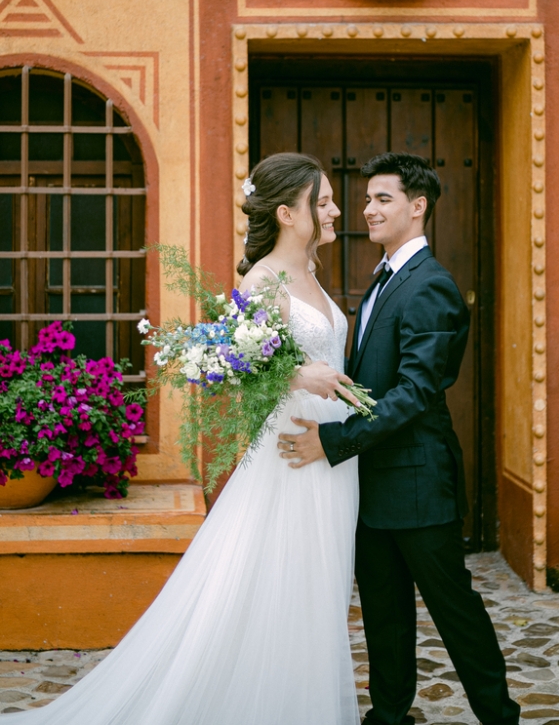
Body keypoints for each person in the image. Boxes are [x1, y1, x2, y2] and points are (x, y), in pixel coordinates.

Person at [15, 152, 362, 725]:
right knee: (283, 577)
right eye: (321, 201)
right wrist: (302, 374)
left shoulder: (312, 274)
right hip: (292, 449)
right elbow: (247, 370)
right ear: (285, 213)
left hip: (332, 451)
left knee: (318, 587)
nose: (333, 210)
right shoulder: (262, 278)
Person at [279, 152, 520, 725]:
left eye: (383, 198)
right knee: (385, 615)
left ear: (418, 207)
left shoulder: (430, 285)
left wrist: (334, 441)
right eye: (367, 199)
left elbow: (414, 392)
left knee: (455, 610)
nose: (368, 209)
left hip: (419, 485)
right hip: (374, 485)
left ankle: (499, 716)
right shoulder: (386, 280)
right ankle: (388, 717)